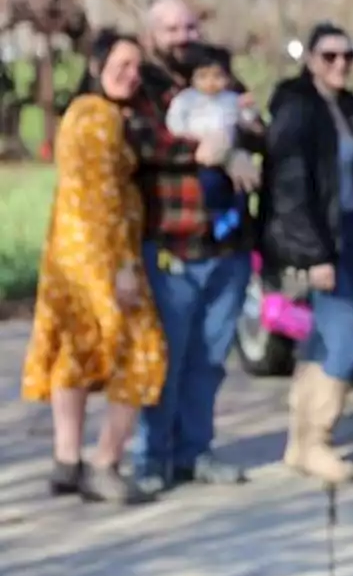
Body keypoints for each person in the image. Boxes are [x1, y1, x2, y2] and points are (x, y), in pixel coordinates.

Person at [22, 31, 213, 504]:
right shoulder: (100, 118)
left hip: (70, 254)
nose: (130, 74)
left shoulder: (85, 113)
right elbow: (103, 197)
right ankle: (105, 463)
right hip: (99, 257)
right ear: (97, 64)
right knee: (144, 351)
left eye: (136, 66)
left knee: (77, 352)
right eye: (121, 64)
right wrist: (125, 265)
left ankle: (67, 461)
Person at [130, 0, 258, 492]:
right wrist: (207, 151)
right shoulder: (142, 86)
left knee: (209, 359)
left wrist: (241, 147)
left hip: (226, 243)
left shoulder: (223, 76)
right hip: (171, 241)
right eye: (170, 28)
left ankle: (195, 451)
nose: (182, 36)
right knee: (167, 356)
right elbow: (143, 141)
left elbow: (257, 129)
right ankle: (151, 456)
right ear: (151, 34)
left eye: (189, 25)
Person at [259, 23, 353, 484]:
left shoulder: (348, 109)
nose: (340, 64)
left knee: (321, 339)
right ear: (309, 59)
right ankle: (317, 441)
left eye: (347, 56)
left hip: (349, 236)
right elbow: (289, 189)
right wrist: (311, 254)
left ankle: (299, 443)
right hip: (319, 242)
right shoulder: (298, 109)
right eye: (329, 56)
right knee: (346, 340)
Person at [164, 43, 247, 242]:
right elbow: (174, 122)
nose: (210, 82)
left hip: (229, 152)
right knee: (210, 183)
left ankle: (235, 213)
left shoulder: (231, 98)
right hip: (202, 150)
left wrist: (249, 112)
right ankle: (218, 216)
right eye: (203, 76)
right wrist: (192, 139)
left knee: (240, 184)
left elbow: (245, 120)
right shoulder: (186, 100)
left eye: (217, 76)